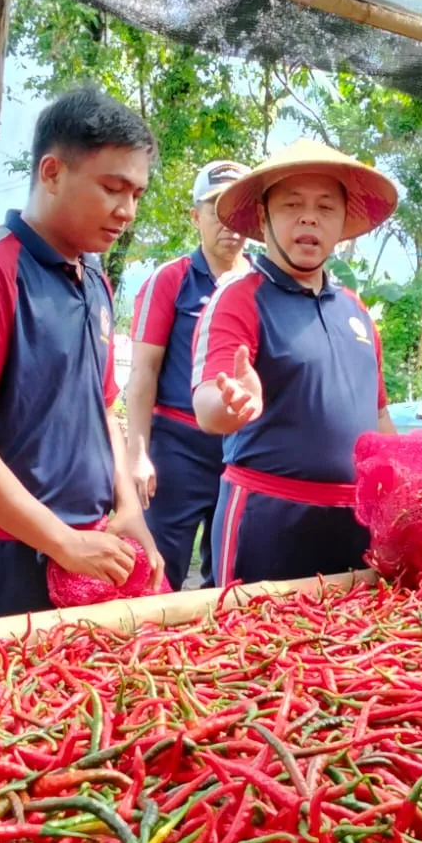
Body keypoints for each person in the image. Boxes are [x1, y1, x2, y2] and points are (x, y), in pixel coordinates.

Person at [0, 87, 164, 620]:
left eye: (137, 194)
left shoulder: (94, 274)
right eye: (112, 188)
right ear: (51, 172)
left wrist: (127, 509)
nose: (127, 211)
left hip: (87, 551)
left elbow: (104, 407)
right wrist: (61, 540)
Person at [191, 140, 399, 586]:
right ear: (263, 218)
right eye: (292, 205)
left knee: (350, 651)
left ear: (343, 222)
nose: (309, 217)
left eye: (326, 206)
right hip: (268, 521)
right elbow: (208, 405)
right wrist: (234, 404)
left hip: (355, 527)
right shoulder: (241, 295)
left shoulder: (356, 311)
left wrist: (403, 481)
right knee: (254, 650)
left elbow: (379, 416)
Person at [125, 160, 250, 590]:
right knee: (157, 572)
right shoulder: (170, 281)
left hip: (239, 448)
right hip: (176, 448)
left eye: (238, 208)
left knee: (230, 576)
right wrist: (137, 454)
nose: (228, 221)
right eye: (216, 208)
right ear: (196, 216)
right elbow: (143, 374)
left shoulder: (262, 284)